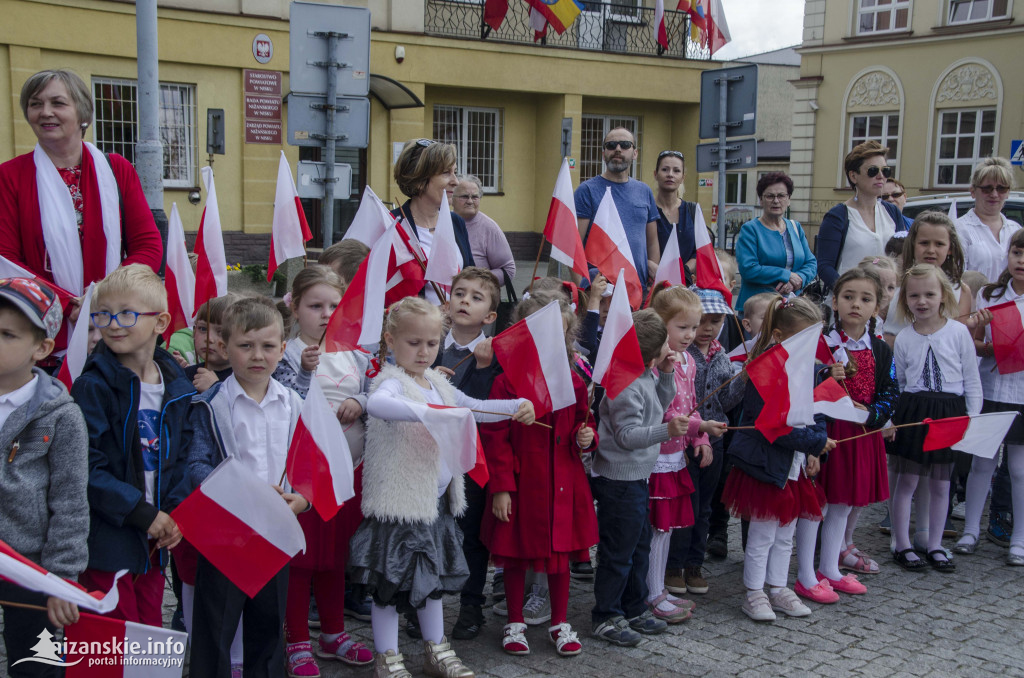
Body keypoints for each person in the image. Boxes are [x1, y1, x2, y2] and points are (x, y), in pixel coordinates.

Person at [348, 296, 533, 678]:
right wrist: (430, 413)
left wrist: (517, 405)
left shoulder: (437, 382)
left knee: (430, 582)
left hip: (436, 507)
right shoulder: (390, 382)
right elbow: (378, 405)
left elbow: (471, 405)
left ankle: (437, 648)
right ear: (390, 340)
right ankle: (387, 655)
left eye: (431, 343)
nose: (423, 351)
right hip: (399, 506)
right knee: (389, 585)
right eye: (413, 342)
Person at [187, 298, 310, 677]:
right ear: (225, 348)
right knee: (216, 626)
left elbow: (310, 464)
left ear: (283, 349)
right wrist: (241, 495)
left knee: (269, 626)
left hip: (274, 532)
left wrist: (303, 499)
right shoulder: (212, 403)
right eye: (246, 346)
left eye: (268, 346)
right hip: (227, 534)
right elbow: (196, 465)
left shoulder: (294, 403)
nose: (258, 355)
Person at [0, 70, 162, 342]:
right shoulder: (9, 176)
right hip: (41, 330)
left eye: (58, 103)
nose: (45, 112)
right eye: (35, 103)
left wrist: (103, 297)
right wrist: (67, 306)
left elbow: (148, 246)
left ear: (83, 113)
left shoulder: (117, 170)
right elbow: (4, 259)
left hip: (114, 323)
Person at [72, 264, 194, 626]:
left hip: (155, 542)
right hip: (108, 542)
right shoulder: (92, 387)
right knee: (109, 637)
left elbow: (182, 458)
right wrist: (144, 515)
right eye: (104, 314)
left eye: (126, 314)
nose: (112, 323)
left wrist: (175, 515)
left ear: (160, 322)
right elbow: (86, 467)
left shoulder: (176, 386)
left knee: (148, 633)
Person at [481, 297, 598, 658]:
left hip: (564, 480)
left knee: (561, 556)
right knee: (515, 555)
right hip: (522, 483)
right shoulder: (505, 383)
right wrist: (501, 487)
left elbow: (585, 419)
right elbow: (494, 437)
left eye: (557, 333)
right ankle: (514, 620)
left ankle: (559, 621)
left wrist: (586, 434)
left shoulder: (575, 383)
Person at [282, 267, 373, 677]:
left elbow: (375, 391)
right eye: (314, 305)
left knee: (335, 558)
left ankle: (334, 632)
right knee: (302, 559)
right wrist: (300, 368)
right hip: (304, 474)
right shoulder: (284, 351)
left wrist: (361, 400)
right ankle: (296, 637)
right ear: (294, 307)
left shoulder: (353, 353)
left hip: (347, 473)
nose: (324, 313)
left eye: (333, 305)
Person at [722, 296, 833, 622]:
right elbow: (772, 426)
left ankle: (778, 587)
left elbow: (819, 409)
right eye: (805, 338)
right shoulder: (763, 369)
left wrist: (815, 445)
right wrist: (816, 441)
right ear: (781, 336)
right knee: (763, 533)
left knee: (787, 531)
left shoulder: (810, 369)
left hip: (794, 465)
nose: (812, 346)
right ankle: (754, 592)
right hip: (765, 463)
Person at [0, 277, 88, 678]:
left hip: (31, 567)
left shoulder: (62, 416)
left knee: (36, 665)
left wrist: (62, 578)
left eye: (6, 334)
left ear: (42, 348)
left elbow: (70, 502)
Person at [591, 309, 689, 647]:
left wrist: (665, 375)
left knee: (639, 545)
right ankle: (606, 615)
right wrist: (666, 431)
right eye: (664, 344)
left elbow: (659, 403)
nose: (669, 347)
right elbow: (627, 436)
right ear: (650, 352)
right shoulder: (625, 384)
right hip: (619, 479)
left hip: (636, 477)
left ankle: (633, 607)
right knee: (618, 550)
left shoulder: (644, 372)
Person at [809, 269, 898, 599]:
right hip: (829, 430)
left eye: (865, 299)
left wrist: (874, 415)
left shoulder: (879, 348)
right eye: (848, 297)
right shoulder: (824, 342)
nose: (855, 304)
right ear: (834, 301)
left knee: (843, 503)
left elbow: (890, 389)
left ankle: (830, 566)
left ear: (876, 307)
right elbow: (809, 384)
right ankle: (813, 567)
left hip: (861, 433)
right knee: (822, 501)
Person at [889, 264, 981, 572]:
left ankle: (936, 544)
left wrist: (973, 416)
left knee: (943, 484)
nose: (922, 301)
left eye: (929, 294)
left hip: (949, 412)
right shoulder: (903, 337)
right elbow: (900, 381)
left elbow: (972, 378)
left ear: (943, 296)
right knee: (908, 480)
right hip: (914, 410)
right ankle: (901, 543)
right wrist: (894, 418)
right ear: (906, 300)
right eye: (914, 295)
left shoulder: (958, 333)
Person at [432, 267, 503, 642]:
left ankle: (472, 604)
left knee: (472, 536)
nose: (465, 301)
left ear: (490, 316)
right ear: (447, 302)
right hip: (431, 460)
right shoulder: (430, 346)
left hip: (472, 461)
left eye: (476, 297)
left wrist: (480, 367)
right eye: (460, 293)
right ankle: (421, 602)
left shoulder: (493, 355)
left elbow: (488, 407)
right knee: (429, 532)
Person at [648, 286, 728, 615]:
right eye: (683, 327)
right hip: (654, 458)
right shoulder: (654, 363)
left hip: (675, 457)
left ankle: (657, 590)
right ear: (660, 324)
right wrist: (699, 427)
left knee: (666, 528)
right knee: (655, 529)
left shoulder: (688, 363)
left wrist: (701, 437)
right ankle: (650, 591)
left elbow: (692, 406)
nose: (691, 334)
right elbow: (662, 412)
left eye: (693, 328)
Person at [665, 287, 743, 596]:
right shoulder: (683, 356)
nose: (707, 329)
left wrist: (744, 380)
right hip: (685, 438)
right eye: (701, 322)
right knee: (685, 503)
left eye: (715, 321)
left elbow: (725, 400)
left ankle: (694, 564)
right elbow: (680, 402)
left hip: (714, 438)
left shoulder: (722, 355)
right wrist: (694, 435)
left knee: (705, 506)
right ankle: (674, 564)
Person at [957, 229, 1024, 566]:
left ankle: (1019, 538)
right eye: (1017, 253)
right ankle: (970, 530)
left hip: (1022, 395)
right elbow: (976, 346)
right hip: (990, 389)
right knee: (982, 462)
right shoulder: (990, 295)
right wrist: (983, 337)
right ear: (1008, 256)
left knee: (1018, 469)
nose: (1021, 260)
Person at [575, 127, 660, 295]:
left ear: (635, 153)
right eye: (611, 145)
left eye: (625, 145)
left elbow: (652, 242)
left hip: (638, 289)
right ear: (603, 153)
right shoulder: (586, 190)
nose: (618, 149)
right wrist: (583, 290)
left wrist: (652, 282)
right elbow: (574, 246)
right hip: (601, 292)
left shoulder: (644, 191)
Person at [391, 140, 476, 304]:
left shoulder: (455, 221)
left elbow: (470, 275)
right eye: (446, 173)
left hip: (456, 328)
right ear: (420, 179)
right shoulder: (392, 226)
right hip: (414, 327)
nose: (455, 181)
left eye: (455, 172)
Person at [816, 141, 906, 291]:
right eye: (872, 171)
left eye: (885, 171)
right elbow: (824, 266)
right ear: (853, 176)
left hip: (890, 300)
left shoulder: (892, 212)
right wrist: (850, 291)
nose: (880, 176)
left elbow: (902, 256)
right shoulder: (837, 216)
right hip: (852, 303)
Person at [735, 172, 817, 310]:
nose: (776, 201)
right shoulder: (750, 229)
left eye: (781, 195)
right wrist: (786, 275)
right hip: (758, 309)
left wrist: (798, 280)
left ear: (789, 199)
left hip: (791, 307)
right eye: (770, 196)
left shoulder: (795, 227)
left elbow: (811, 263)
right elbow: (748, 269)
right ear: (761, 200)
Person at [956, 157, 1021, 283]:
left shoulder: (1015, 229)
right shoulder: (960, 229)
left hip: (1010, 302)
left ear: (1008, 192)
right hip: (975, 301)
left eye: (1001, 188)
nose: (994, 194)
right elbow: (955, 278)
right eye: (987, 188)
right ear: (973, 191)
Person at [451, 175, 516, 286]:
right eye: (464, 196)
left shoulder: (490, 228)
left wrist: (477, 282)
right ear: (451, 198)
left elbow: (508, 270)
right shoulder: (440, 222)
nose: (470, 201)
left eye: (475, 197)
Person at [651, 150, 697, 283]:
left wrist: (682, 272)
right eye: (665, 169)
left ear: (683, 177)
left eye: (676, 171)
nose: (670, 174)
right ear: (656, 174)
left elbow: (700, 250)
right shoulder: (646, 210)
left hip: (686, 286)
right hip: (653, 285)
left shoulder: (693, 210)